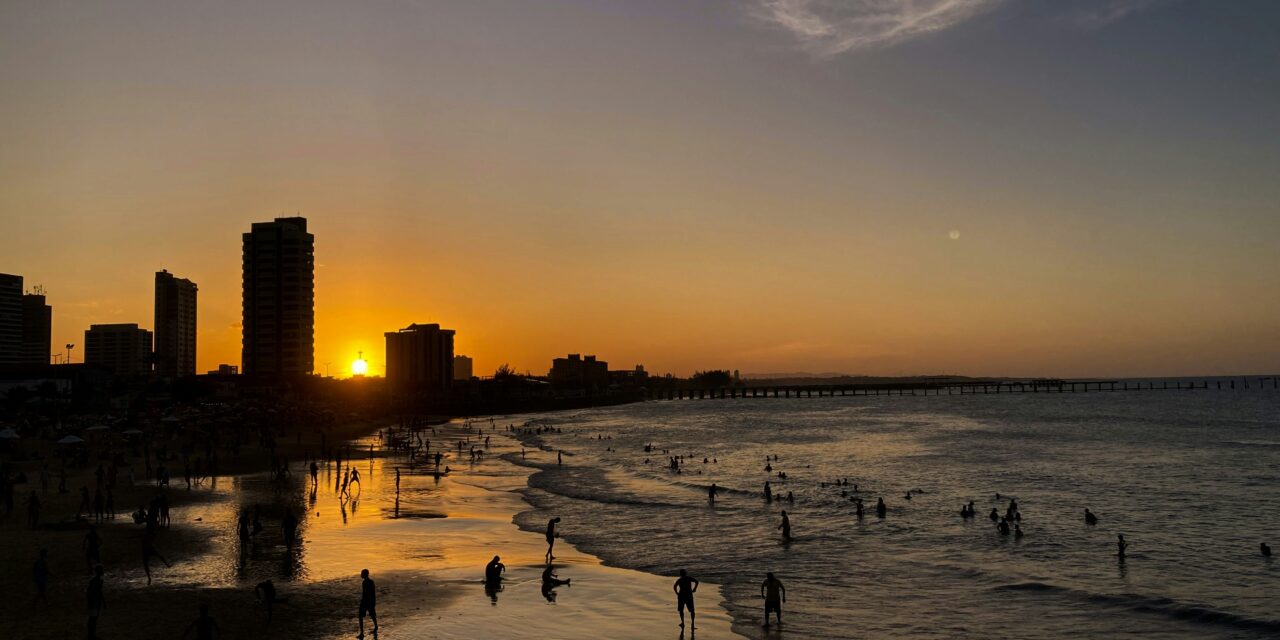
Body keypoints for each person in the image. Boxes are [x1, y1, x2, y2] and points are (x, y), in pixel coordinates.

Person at [86, 564, 105, 640]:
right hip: (95, 601)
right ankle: (91, 634)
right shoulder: (96, 581)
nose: (103, 571)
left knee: (93, 619)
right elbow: (91, 592)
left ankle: (91, 634)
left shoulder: (97, 580)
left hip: (96, 601)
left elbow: (99, 592)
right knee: (93, 619)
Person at [358, 569, 377, 638]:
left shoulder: (365, 582)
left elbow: (365, 594)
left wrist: (362, 602)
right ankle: (376, 627)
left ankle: (362, 633)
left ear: (365, 574)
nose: (361, 574)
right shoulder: (371, 582)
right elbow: (373, 593)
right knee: (372, 615)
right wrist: (373, 602)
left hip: (366, 601)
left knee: (360, 616)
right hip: (371, 601)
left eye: (362, 573)